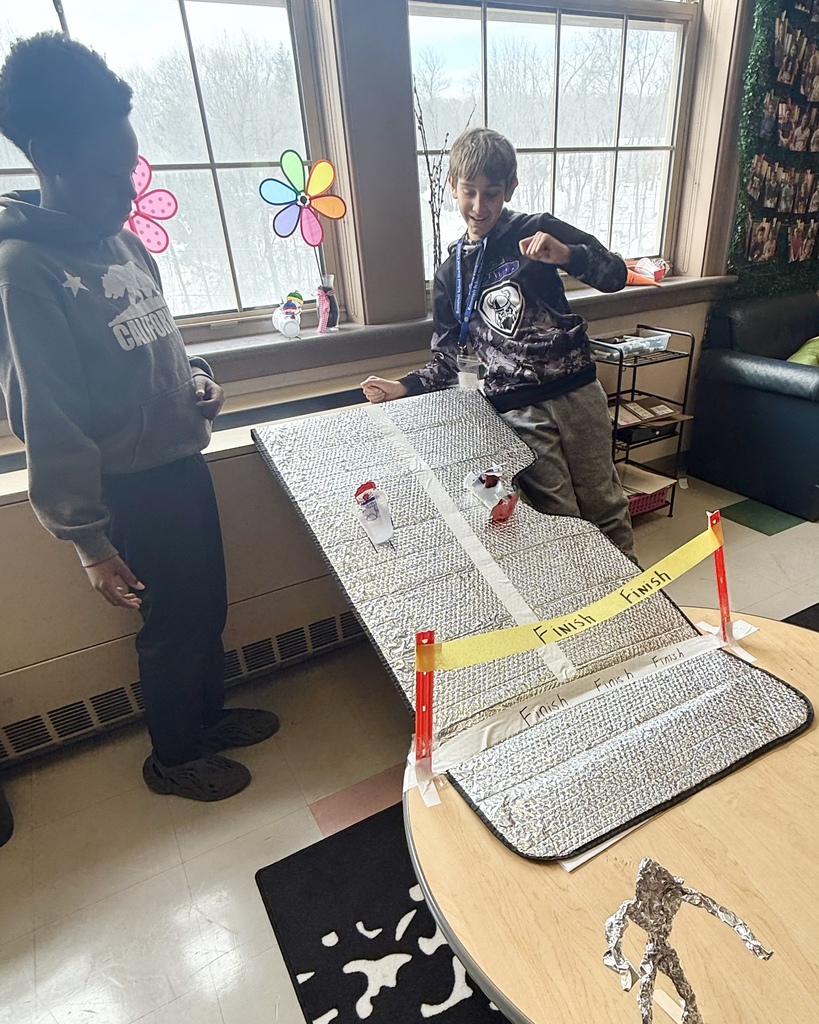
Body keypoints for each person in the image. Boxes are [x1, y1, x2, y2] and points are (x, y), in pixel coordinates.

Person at [0, 34, 279, 801]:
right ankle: (173, 756)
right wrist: (88, 541)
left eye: (133, 170)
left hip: (179, 460)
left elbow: (160, 344)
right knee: (171, 627)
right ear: (50, 154)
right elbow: (45, 414)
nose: (129, 192)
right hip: (129, 489)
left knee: (207, 607)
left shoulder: (121, 240)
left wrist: (198, 378)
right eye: (109, 174)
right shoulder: (25, 270)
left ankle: (207, 717)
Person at [361, 127, 635, 561]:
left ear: (510, 188)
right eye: (469, 191)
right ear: (452, 186)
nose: (478, 205)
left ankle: (632, 605)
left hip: (577, 392)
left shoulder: (535, 229)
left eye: (491, 193)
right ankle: (578, 614)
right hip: (517, 407)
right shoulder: (450, 273)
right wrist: (405, 385)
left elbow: (615, 275)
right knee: (557, 520)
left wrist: (566, 255)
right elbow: (451, 355)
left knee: (605, 504)